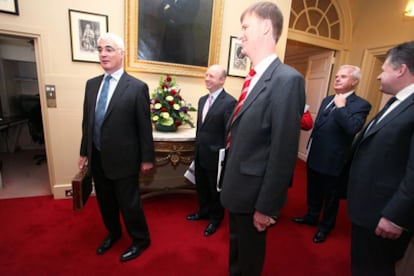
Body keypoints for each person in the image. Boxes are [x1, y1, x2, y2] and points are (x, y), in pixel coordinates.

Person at [219, 2, 306, 275]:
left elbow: (282, 151)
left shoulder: (286, 80)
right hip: (238, 188)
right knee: (237, 252)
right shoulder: (254, 77)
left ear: (266, 27)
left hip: (255, 196)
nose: (241, 34)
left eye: (246, 27)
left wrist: (266, 207)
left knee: (249, 260)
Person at [78, 32, 155, 262]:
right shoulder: (91, 85)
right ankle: (113, 232)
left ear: (121, 54)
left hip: (125, 159)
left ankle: (141, 239)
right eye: (100, 49)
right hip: (98, 157)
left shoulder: (137, 87)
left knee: (129, 204)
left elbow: (144, 127)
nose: (103, 54)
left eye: (109, 49)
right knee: (105, 202)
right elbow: (87, 122)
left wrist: (147, 158)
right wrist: (84, 151)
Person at [347, 41, 414, 275]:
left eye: (383, 70)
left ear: (401, 70)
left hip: (384, 215)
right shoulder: (397, 102)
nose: (378, 77)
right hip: (369, 209)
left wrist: (396, 216)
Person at [292, 65, 371, 243]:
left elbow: (352, 128)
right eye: (336, 76)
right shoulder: (327, 99)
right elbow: (319, 126)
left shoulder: (361, 105)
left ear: (354, 82)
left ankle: (325, 227)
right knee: (313, 190)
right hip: (315, 155)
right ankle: (311, 217)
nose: (337, 79)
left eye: (343, 76)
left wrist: (342, 108)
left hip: (334, 160)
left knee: (331, 197)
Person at [186, 64, 236, 237]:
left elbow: (228, 132)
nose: (207, 79)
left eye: (211, 76)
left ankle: (215, 219)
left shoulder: (229, 102)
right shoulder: (202, 100)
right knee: (202, 187)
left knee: (215, 191)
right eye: (206, 75)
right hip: (200, 153)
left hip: (216, 156)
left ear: (222, 80)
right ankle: (203, 212)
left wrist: (225, 158)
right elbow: (202, 128)